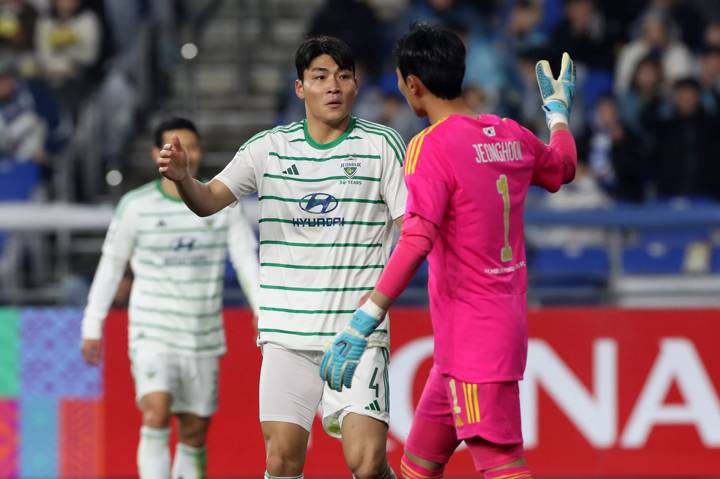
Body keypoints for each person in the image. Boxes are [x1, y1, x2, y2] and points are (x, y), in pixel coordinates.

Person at [320, 24, 578, 479]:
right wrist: (557, 116)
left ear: (413, 83)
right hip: (473, 343)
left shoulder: (429, 146)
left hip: (474, 343)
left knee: (502, 466)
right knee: (417, 467)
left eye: (402, 83)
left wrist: (365, 318)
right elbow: (563, 168)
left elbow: (417, 238)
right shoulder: (510, 134)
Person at [155, 36, 406, 479]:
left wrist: (374, 311)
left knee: (366, 465)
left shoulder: (382, 145)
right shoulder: (268, 148)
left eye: (343, 77)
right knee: (280, 461)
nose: (333, 87)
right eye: (320, 77)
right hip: (286, 336)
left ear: (355, 86)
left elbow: (411, 231)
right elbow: (210, 199)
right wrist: (183, 180)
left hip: (356, 335)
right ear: (299, 88)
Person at [80, 117, 260, 479]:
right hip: (152, 330)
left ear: (200, 151)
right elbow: (112, 265)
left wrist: (261, 308)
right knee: (156, 413)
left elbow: (245, 257)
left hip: (202, 334)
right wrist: (91, 325)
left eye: (191, 146)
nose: (183, 153)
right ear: (155, 155)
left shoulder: (221, 203)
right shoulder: (135, 206)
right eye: (173, 147)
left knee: (194, 432)